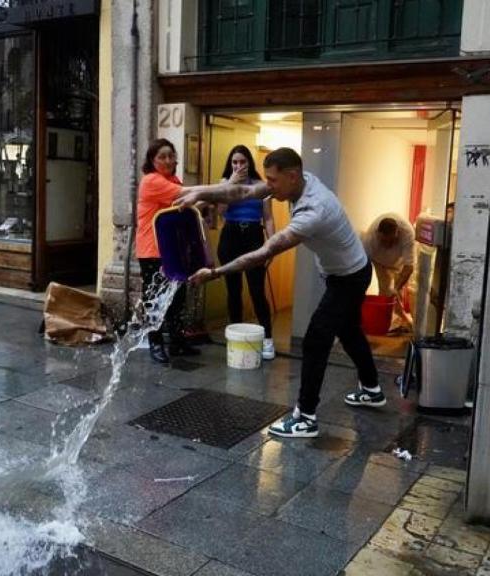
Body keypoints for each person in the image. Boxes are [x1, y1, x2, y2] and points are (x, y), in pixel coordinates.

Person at [177, 147, 383, 438]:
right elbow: (244, 193)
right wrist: (199, 192)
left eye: (273, 180)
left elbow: (264, 252)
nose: (268, 186)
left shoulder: (315, 210)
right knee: (349, 330)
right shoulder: (299, 182)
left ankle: (306, 417)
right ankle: (372, 388)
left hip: (349, 277)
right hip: (346, 271)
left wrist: (215, 273)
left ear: (292, 175)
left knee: (315, 339)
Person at [135, 138, 200, 364]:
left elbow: (186, 204)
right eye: (162, 157)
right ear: (152, 161)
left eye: (170, 156)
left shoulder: (172, 179)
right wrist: (228, 186)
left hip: (172, 249)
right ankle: (155, 343)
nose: (168, 160)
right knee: (155, 299)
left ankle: (177, 342)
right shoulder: (152, 181)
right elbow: (190, 193)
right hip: (152, 250)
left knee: (177, 298)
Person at [216, 145, 276, 360]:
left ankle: (268, 339)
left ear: (249, 163)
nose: (239, 166)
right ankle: (236, 337)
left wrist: (272, 246)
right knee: (234, 291)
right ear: (230, 165)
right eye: (234, 162)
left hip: (253, 236)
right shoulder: (224, 183)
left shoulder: (261, 186)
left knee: (257, 290)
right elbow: (220, 213)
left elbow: (268, 218)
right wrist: (231, 184)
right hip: (230, 236)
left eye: (242, 162)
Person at [363, 212, 415, 332]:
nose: (387, 244)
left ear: (398, 233)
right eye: (384, 241)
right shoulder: (370, 238)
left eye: (391, 241)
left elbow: (409, 267)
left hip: (400, 263)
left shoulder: (407, 233)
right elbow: (362, 266)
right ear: (378, 234)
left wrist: (396, 288)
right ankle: (385, 323)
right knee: (386, 292)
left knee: (398, 292)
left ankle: (402, 321)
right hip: (380, 261)